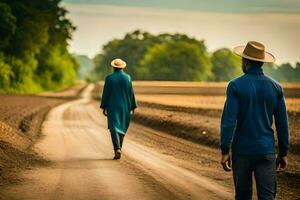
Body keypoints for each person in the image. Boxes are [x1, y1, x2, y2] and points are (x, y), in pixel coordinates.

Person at [220, 41, 289, 200]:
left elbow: (229, 121)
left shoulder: (235, 86)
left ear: (246, 61)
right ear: (262, 62)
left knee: (243, 196)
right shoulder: (276, 87)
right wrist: (283, 152)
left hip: (242, 151)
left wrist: (225, 150)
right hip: (266, 151)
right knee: (267, 197)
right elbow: (282, 124)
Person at [100, 58, 137, 159]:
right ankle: (119, 148)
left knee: (114, 128)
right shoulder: (128, 78)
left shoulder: (109, 78)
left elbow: (106, 94)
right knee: (122, 127)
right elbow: (131, 93)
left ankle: (117, 149)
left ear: (113, 67)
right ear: (122, 67)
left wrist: (104, 106)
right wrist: (133, 106)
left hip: (113, 106)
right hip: (125, 106)